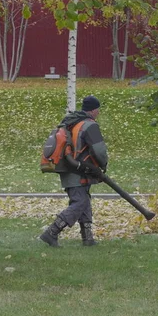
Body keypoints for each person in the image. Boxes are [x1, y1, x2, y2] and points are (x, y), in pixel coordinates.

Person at [40, 95, 108, 247]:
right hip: (79, 171)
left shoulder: (72, 123)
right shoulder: (90, 125)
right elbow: (99, 150)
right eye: (98, 110)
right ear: (94, 110)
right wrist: (103, 165)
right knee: (80, 202)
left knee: (84, 201)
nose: (98, 113)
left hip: (71, 169)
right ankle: (52, 232)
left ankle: (88, 238)